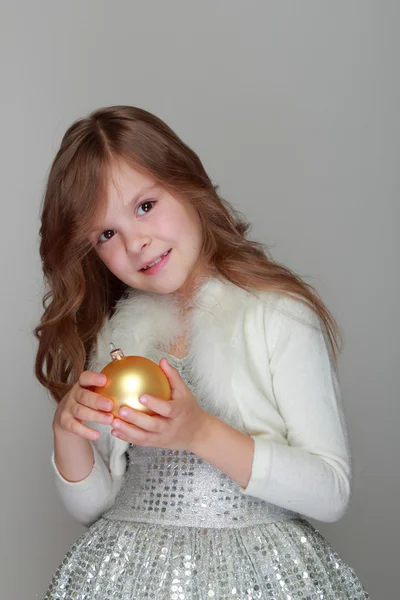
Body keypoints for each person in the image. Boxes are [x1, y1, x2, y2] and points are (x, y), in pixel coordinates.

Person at [35, 105, 369, 599]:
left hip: (254, 575)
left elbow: (331, 490)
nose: (137, 243)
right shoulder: (118, 337)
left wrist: (200, 432)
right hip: (130, 577)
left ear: (188, 183)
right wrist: (68, 435)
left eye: (146, 206)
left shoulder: (276, 314)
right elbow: (95, 505)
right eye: (106, 234)